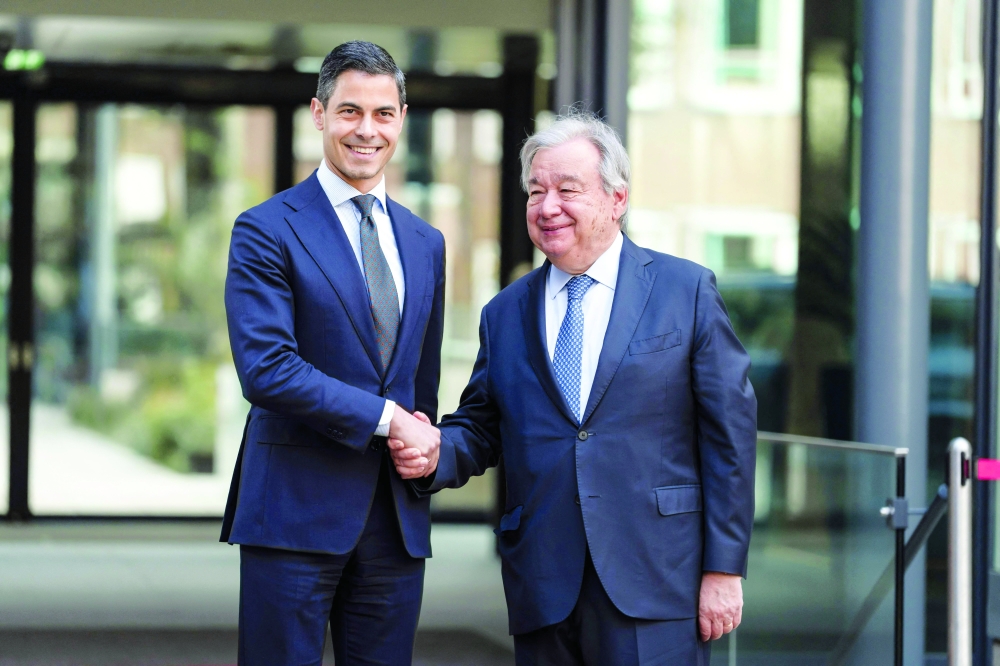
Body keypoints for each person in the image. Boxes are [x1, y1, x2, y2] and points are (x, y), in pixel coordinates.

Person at [390, 112, 757, 665]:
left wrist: (724, 569)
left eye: (567, 189)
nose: (547, 206)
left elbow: (731, 436)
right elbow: (483, 425)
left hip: (656, 579)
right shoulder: (505, 312)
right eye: (536, 191)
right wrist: (435, 451)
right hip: (544, 581)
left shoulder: (686, 291)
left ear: (617, 199)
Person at [220, 40, 443, 665]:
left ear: (401, 119)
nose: (367, 130)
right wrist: (389, 419)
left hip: (394, 521)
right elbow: (267, 369)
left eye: (383, 113)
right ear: (319, 114)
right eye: (350, 111)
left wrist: (423, 444)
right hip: (293, 512)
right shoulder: (267, 228)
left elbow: (419, 384)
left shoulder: (426, 242)